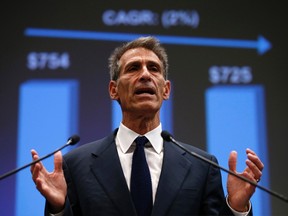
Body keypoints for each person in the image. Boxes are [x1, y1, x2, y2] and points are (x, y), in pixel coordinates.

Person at [31, 36, 264, 216]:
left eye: (154, 68)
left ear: (166, 90)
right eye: (133, 68)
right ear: (113, 90)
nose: (145, 75)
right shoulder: (77, 165)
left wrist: (236, 207)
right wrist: (58, 209)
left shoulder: (202, 167)